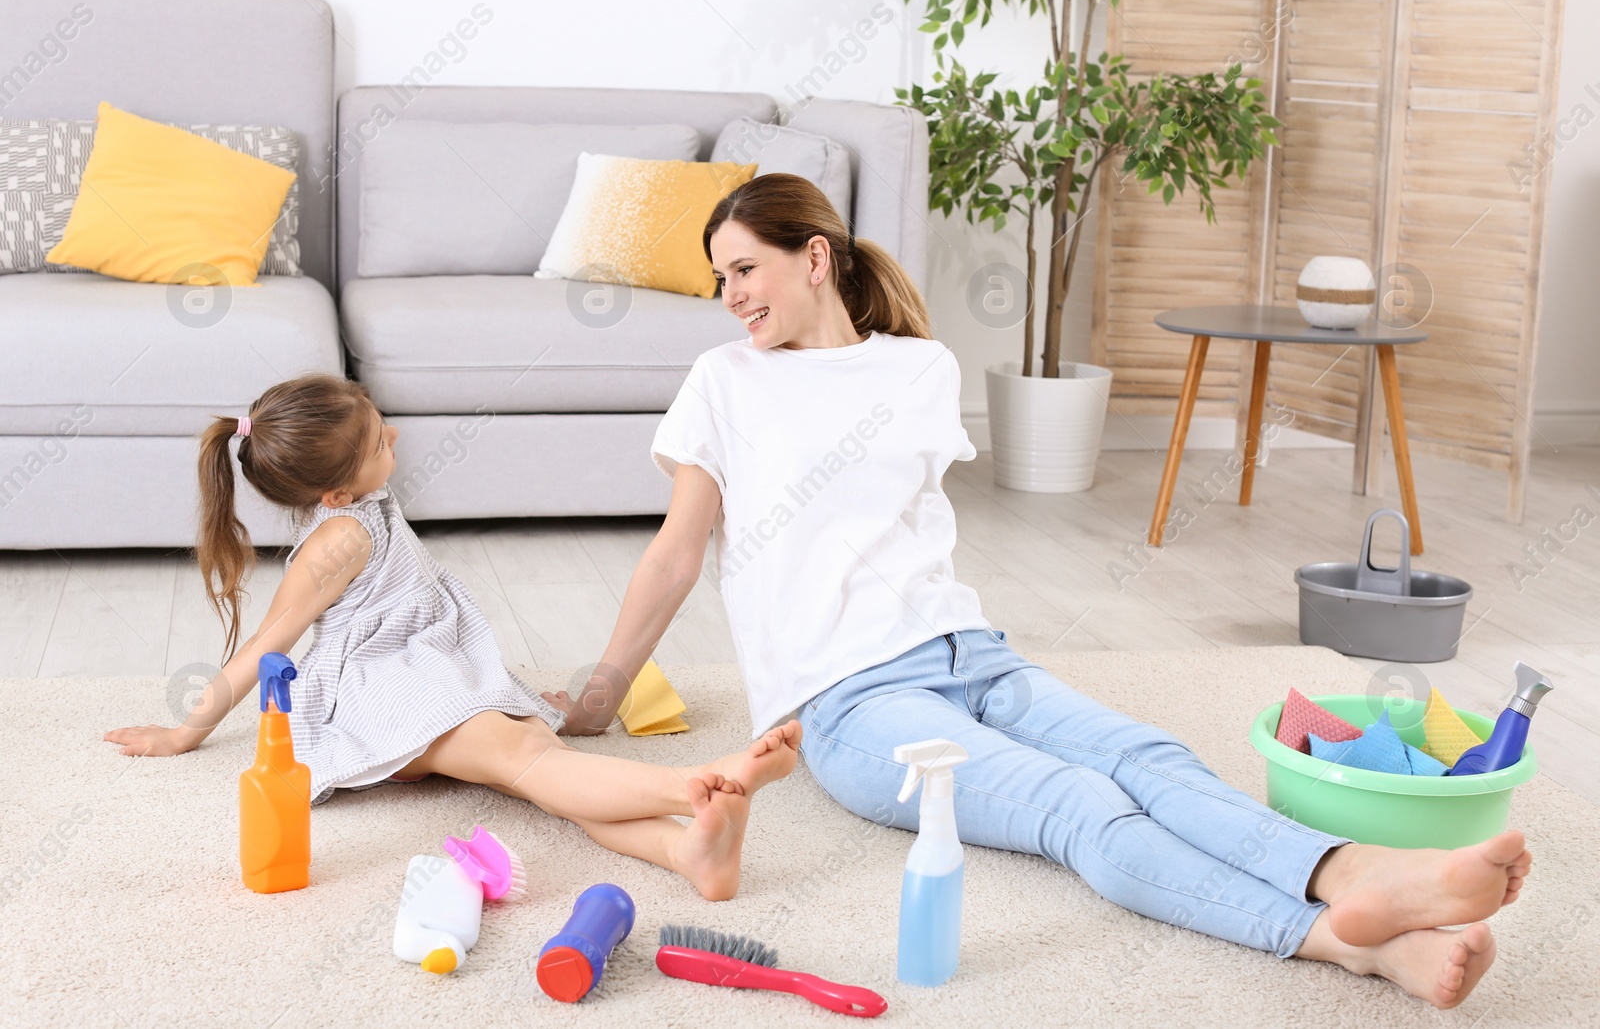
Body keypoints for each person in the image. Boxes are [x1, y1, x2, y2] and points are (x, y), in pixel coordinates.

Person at [539, 173, 1532, 1007]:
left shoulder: (920, 368)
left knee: (1151, 757)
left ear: (816, 257)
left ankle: (1354, 873)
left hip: (975, 654)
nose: (731, 298)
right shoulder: (724, 379)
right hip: (848, 700)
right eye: (720, 279)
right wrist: (595, 700)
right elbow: (675, 554)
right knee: (1075, 802)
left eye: (744, 269)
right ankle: (1344, 940)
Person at [103, 374, 801, 900]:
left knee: (542, 770)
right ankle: (696, 788)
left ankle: (689, 855)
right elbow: (267, 647)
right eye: (381, 441)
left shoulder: (359, 503)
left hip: (431, 661)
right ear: (335, 497)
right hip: (386, 689)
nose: (397, 438)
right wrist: (182, 733)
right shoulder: (336, 542)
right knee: (532, 760)